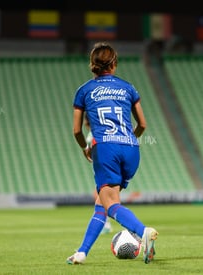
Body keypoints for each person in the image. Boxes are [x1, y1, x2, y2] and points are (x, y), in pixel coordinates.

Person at [66, 42, 158, 265]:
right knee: (102, 203)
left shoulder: (84, 90)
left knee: (110, 203)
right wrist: (128, 141)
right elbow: (143, 125)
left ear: (92, 66)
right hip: (131, 148)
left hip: (105, 148)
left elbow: (77, 130)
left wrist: (85, 147)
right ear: (114, 64)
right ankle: (82, 252)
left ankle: (142, 231)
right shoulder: (128, 88)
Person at [85, 115, 113, 234]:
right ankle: (106, 223)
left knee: (102, 196)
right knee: (104, 196)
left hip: (103, 167)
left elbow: (90, 154)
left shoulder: (91, 135)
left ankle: (106, 223)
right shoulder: (107, 130)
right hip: (111, 164)